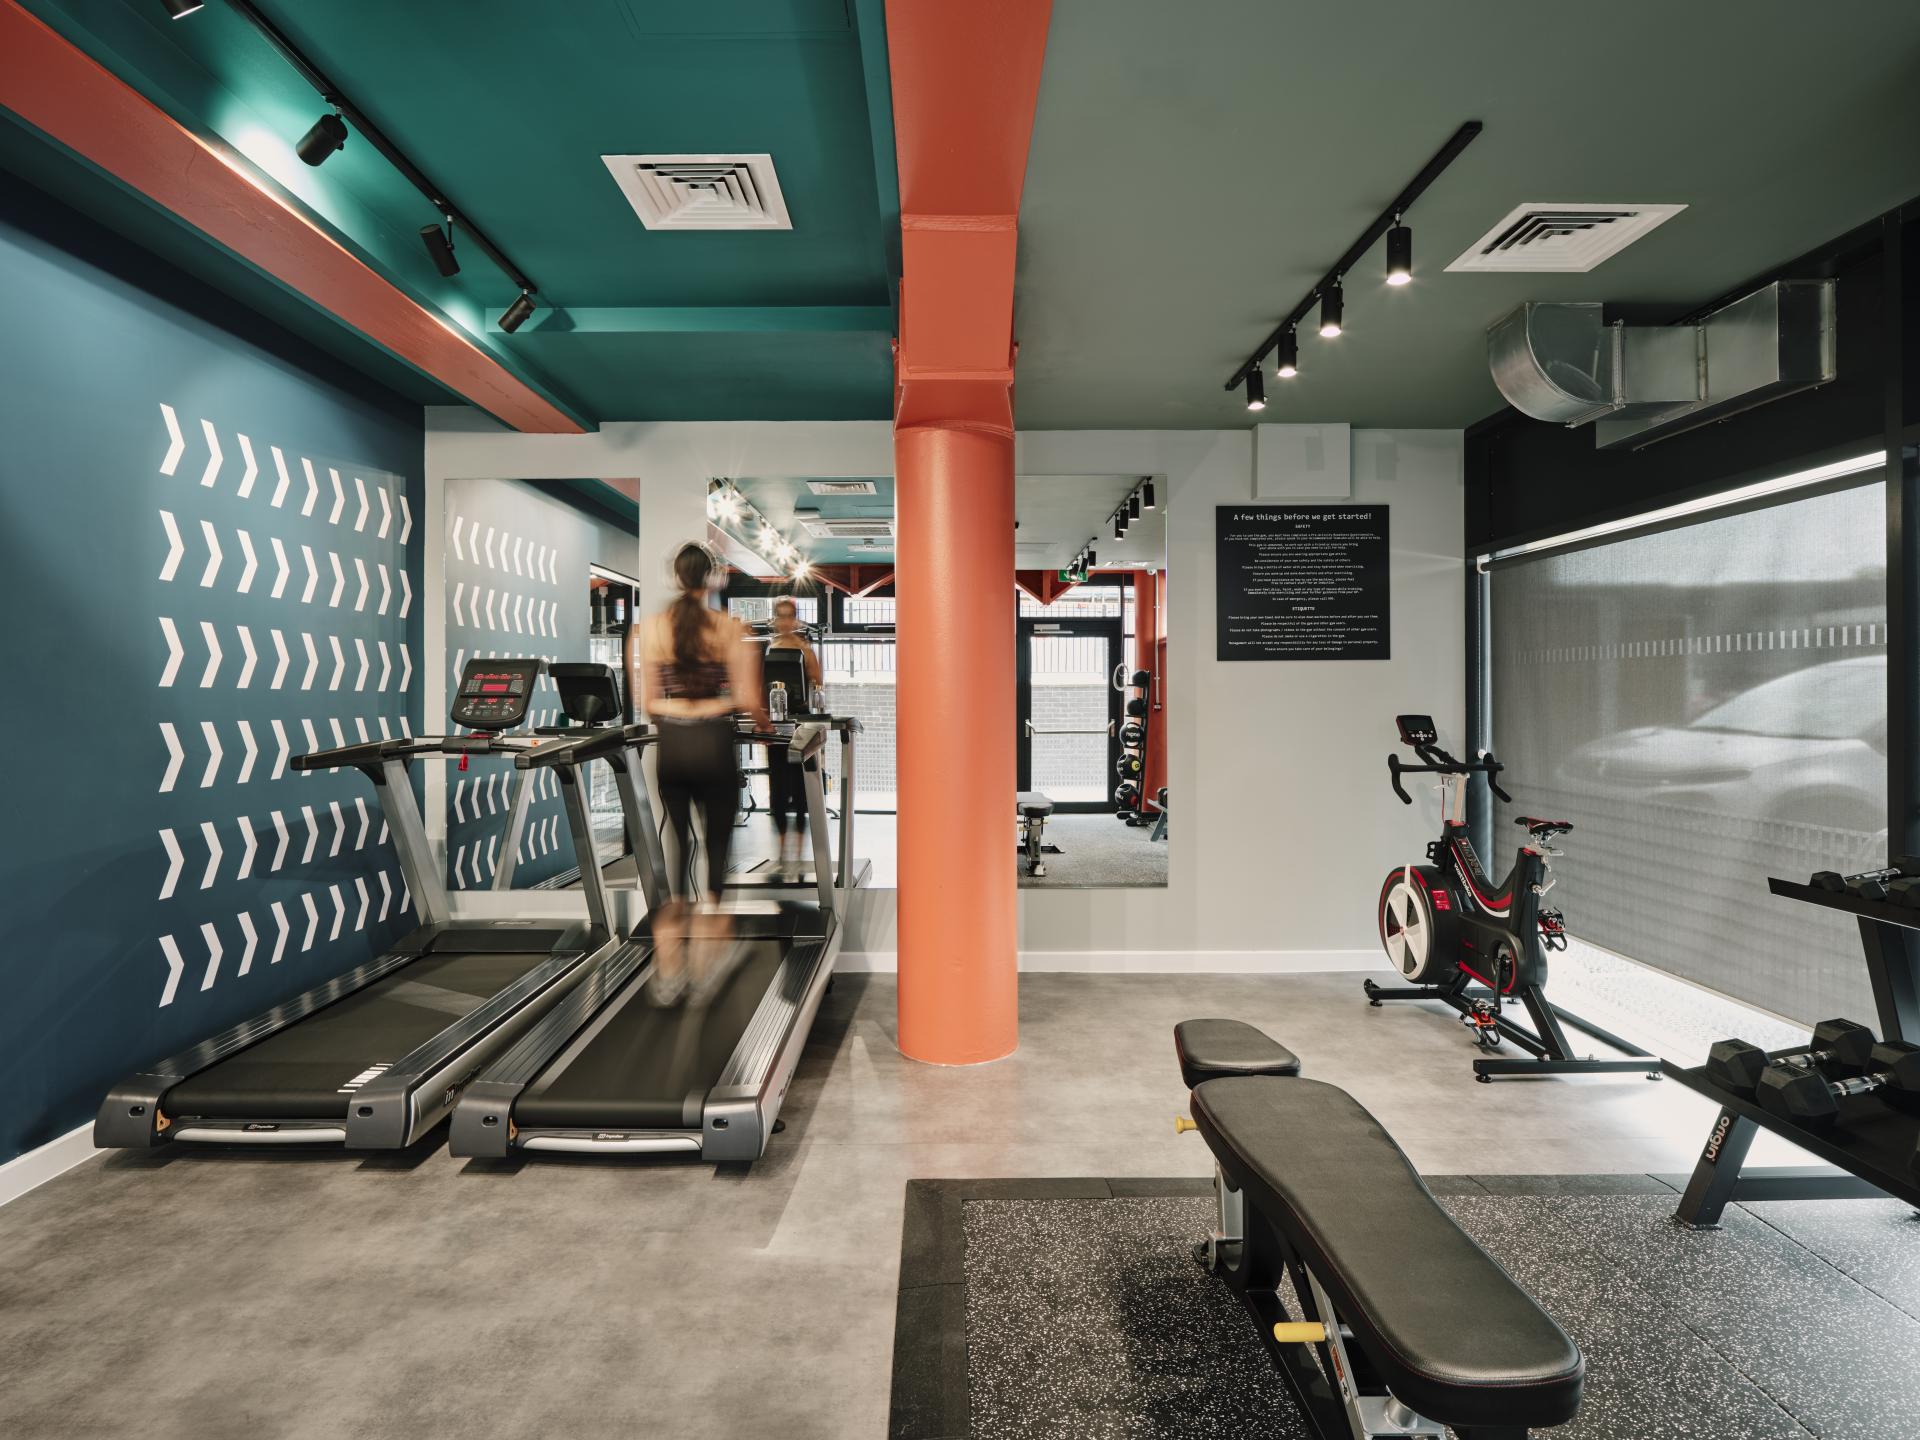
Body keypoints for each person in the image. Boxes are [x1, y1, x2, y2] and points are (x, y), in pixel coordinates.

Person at [641, 542, 766, 1003]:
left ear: (676, 577)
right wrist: (757, 718)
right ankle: (707, 958)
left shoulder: (652, 629)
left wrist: (680, 709)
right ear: (711, 578)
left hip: (672, 748)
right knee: (717, 847)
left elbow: (649, 702)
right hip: (713, 744)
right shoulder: (729, 628)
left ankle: (669, 967)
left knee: (679, 847)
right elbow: (749, 700)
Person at [766, 596, 823, 876]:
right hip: (777, 727)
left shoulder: (805, 650)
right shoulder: (768, 650)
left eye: (790, 616)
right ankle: (780, 851)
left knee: (800, 792)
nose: (785, 622)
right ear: (776, 619)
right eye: (781, 616)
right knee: (778, 791)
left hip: (801, 725)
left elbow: (818, 682)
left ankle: (799, 852)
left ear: (795, 620)